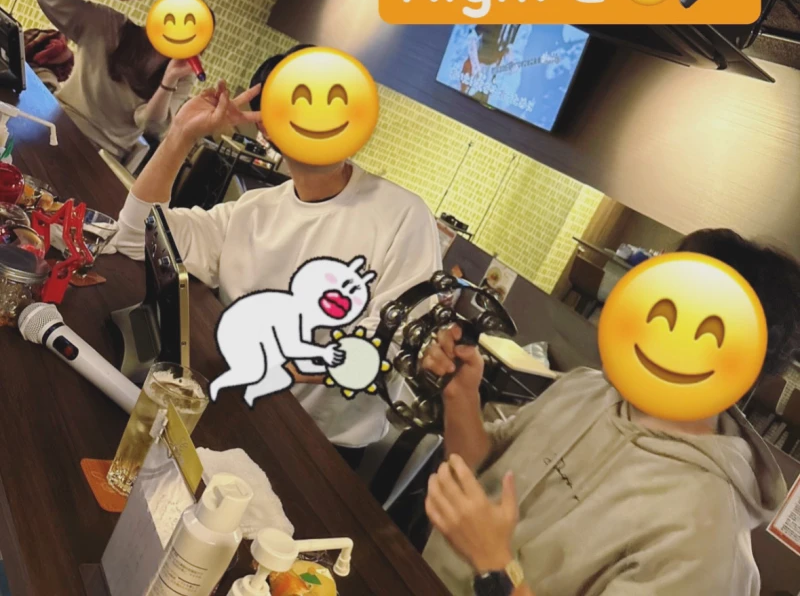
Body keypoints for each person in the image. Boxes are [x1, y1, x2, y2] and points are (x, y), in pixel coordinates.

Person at [421, 228, 798, 596]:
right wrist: (461, 396)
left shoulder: (710, 543)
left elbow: (492, 557)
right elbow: (478, 465)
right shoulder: (587, 388)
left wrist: (496, 567)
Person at [114, 77, 442, 468]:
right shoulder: (252, 210)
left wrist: (273, 358)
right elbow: (135, 237)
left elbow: (394, 347)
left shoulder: (404, 216)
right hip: (228, 413)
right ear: (267, 126)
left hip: (317, 450)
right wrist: (181, 134)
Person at [34, 0, 194, 160]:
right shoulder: (111, 25)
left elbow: (150, 125)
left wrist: (169, 80)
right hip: (59, 121)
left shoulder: (182, 77)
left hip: (101, 154)